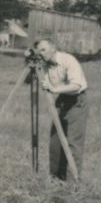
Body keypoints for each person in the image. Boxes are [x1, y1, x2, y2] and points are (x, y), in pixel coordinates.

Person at [34, 38, 88, 181]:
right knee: (55, 141)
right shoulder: (44, 65)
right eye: (38, 51)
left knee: (73, 142)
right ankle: (56, 178)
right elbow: (44, 83)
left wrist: (54, 89)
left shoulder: (68, 60)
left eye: (43, 50)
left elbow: (76, 85)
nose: (40, 53)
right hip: (61, 100)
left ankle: (72, 182)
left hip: (76, 100)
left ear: (54, 48)